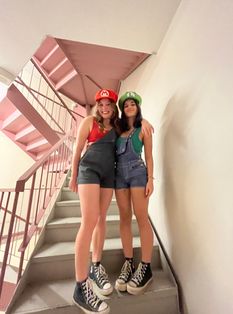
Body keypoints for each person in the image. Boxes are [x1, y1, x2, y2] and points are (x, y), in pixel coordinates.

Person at [69, 89, 119, 314]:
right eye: (101, 104)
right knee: (88, 221)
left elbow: (135, 125)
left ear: (114, 106)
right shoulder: (89, 121)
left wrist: (145, 122)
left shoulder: (117, 127)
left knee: (101, 219)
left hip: (109, 174)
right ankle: (80, 287)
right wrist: (73, 175)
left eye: (109, 104)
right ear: (97, 106)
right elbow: (78, 148)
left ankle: (95, 267)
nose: (104, 108)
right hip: (89, 170)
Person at [114, 91, 154, 295]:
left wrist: (150, 180)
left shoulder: (143, 128)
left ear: (138, 107)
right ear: (122, 109)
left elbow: (149, 156)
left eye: (133, 104)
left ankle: (145, 267)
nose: (130, 106)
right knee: (124, 219)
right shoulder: (117, 129)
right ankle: (128, 262)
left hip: (138, 173)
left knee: (141, 218)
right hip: (119, 176)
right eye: (126, 104)